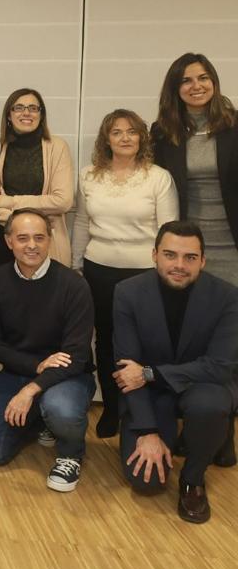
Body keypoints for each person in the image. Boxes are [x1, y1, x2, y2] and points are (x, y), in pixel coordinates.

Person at [113, 221, 238, 523]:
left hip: (203, 385)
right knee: (147, 483)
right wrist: (147, 432)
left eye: (190, 257)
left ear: (203, 261)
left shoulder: (228, 296)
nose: (179, 265)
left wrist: (150, 372)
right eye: (170, 255)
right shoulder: (127, 293)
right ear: (154, 254)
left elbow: (220, 366)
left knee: (211, 406)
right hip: (151, 394)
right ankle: (208, 436)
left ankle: (193, 478)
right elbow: (127, 371)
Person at [0, 210, 95, 493]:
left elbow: (77, 357)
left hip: (67, 377)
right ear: (8, 241)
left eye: (39, 237)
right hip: (19, 371)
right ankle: (39, 419)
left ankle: (70, 453)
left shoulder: (74, 285)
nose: (32, 245)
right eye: (22, 238)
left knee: (60, 407)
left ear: (50, 240)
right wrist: (35, 366)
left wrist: (31, 390)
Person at [72, 109, 178, 437]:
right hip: (99, 269)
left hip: (145, 273)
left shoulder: (158, 177)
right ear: (106, 139)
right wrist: (77, 264)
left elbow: (169, 230)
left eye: (132, 132)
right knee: (105, 341)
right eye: (117, 132)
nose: (125, 138)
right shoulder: (89, 175)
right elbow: (82, 222)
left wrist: (166, 269)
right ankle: (113, 409)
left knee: (146, 344)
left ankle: (142, 407)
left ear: (142, 137)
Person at [153, 53, 238, 286]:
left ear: (214, 82)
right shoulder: (162, 132)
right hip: (186, 249)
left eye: (203, 78)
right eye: (186, 80)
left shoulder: (235, 124)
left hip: (233, 244)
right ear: (175, 88)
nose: (196, 86)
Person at [0, 88, 74, 266]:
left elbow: (63, 201)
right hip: (6, 244)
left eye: (33, 108)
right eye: (19, 108)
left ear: (41, 114)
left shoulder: (58, 147)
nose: (26, 113)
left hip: (46, 240)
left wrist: (8, 201)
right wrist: (19, 227)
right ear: (9, 115)